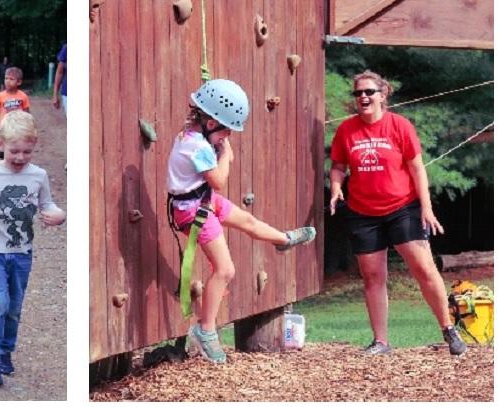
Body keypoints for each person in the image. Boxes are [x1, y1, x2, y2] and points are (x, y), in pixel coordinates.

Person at [171, 79, 317, 363]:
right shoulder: (198, 147)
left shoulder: (192, 135)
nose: (228, 136)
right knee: (225, 270)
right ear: (210, 122)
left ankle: (283, 240)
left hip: (202, 199)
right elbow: (220, 181)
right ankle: (206, 330)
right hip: (195, 210)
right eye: (226, 129)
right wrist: (225, 155)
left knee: (247, 221)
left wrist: (219, 147)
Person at [328, 70, 465, 356]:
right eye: (358, 93)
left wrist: (426, 208)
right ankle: (381, 342)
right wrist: (336, 188)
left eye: (368, 92)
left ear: (382, 94)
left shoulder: (399, 126)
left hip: (403, 208)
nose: (363, 97)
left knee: (424, 269)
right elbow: (339, 166)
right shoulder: (347, 130)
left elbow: (417, 168)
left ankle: (448, 329)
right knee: (372, 276)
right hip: (363, 212)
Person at [0, 111, 66, 387]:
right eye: (14, 151)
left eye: (26, 152)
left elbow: (47, 205)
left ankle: (6, 349)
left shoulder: (38, 175)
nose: (19, 158)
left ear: (34, 146)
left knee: (14, 306)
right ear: (0, 144)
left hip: (22, 253)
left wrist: (59, 215)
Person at [0, 67, 31, 159]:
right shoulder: (0, 96)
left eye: (11, 79)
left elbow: (27, 115)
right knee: (2, 154)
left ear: (19, 82)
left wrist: (29, 130)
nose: (7, 81)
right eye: (6, 78)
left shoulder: (23, 96)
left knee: (16, 152)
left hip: (19, 129)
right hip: (3, 129)